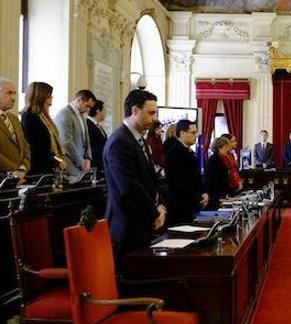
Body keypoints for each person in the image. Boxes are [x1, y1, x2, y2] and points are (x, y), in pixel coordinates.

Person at [104, 89, 165, 259]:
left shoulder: (139, 140)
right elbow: (129, 186)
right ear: (135, 111)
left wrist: (160, 206)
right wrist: (153, 213)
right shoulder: (119, 142)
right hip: (126, 227)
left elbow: (151, 181)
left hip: (141, 224)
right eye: (151, 113)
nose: (154, 119)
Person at [165, 119, 208, 224]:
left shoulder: (188, 151)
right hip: (181, 208)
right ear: (182, 133)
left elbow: (197, 177)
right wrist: (199, 195)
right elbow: (180, 183)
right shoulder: (175, 153)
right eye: (193, 132)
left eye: (196, 132)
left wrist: (204, 192)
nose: (196, 135)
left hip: (192, 205)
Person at [20, 82, 66, 177]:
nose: (52, 98)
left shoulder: (43, 116)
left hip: (49, 167)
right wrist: (55, 162)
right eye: (49, 96)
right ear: (41, 97)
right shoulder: (30, 117)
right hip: (38, 169)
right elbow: (35, 148)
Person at [54, 89, 96, 178]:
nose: (88, 110)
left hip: (81, 164)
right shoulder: (65, 114)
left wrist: (88, 158)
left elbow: (86, 139)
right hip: (70, 163)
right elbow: (66, 142)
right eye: (87, 106)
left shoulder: (81, 115)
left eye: (90, 107)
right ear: (79, 100)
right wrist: (81, 162)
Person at [204, 136, 234, 209]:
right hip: (215, 197)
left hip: (223, 195)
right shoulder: (213, 159)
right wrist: (218, 198)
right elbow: (211, 181)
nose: (228, 149)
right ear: (219, 147)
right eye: (226, 147)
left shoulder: (223, 158)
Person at [86, 99, 108, 171]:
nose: (105, 113)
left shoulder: (98, 126)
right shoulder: (88, 125)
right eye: (104, 110)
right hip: (95, 167)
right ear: (98, 111)